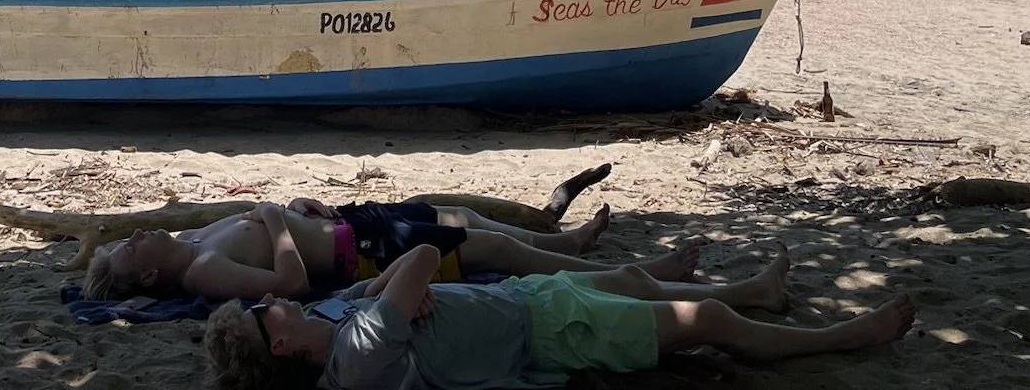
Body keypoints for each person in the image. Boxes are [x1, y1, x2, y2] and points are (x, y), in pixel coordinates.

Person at [206, 241, 914, 390]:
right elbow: (423, 253)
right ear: (287, 352)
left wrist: (385, 288)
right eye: (266, 314)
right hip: (551, 329)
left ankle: (757, 290)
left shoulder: (344, 334)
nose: (273, 299)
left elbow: (404, 277)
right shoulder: (355, 354)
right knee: (705, 325)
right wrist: (395, 286)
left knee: (635, 278)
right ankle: (845, 337)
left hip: (530, 303)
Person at [84, 182, 663, 303]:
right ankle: (587, 264)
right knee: (495, 254)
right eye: (131, 248)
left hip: (351, 222)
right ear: (152, 278)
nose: (135, 233)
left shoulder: (191, 238)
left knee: (458, 213)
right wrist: (281, 225)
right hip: (361, 254)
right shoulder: (203, 271)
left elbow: (268, 225)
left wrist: (295, 210)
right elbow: (292, 283)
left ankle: (565, 244)